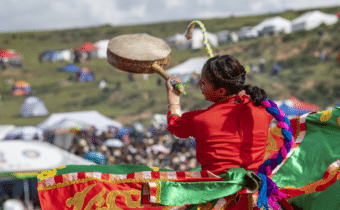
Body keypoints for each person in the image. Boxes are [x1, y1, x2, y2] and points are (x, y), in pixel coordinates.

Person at [165, 55, 273, 208]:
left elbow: (175, 124)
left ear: (221, 91)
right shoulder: (263, 111)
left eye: (203, 83)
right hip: (257, 192)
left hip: (216, 196)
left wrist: (173, 99)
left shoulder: (200, 119)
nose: (198, 84)